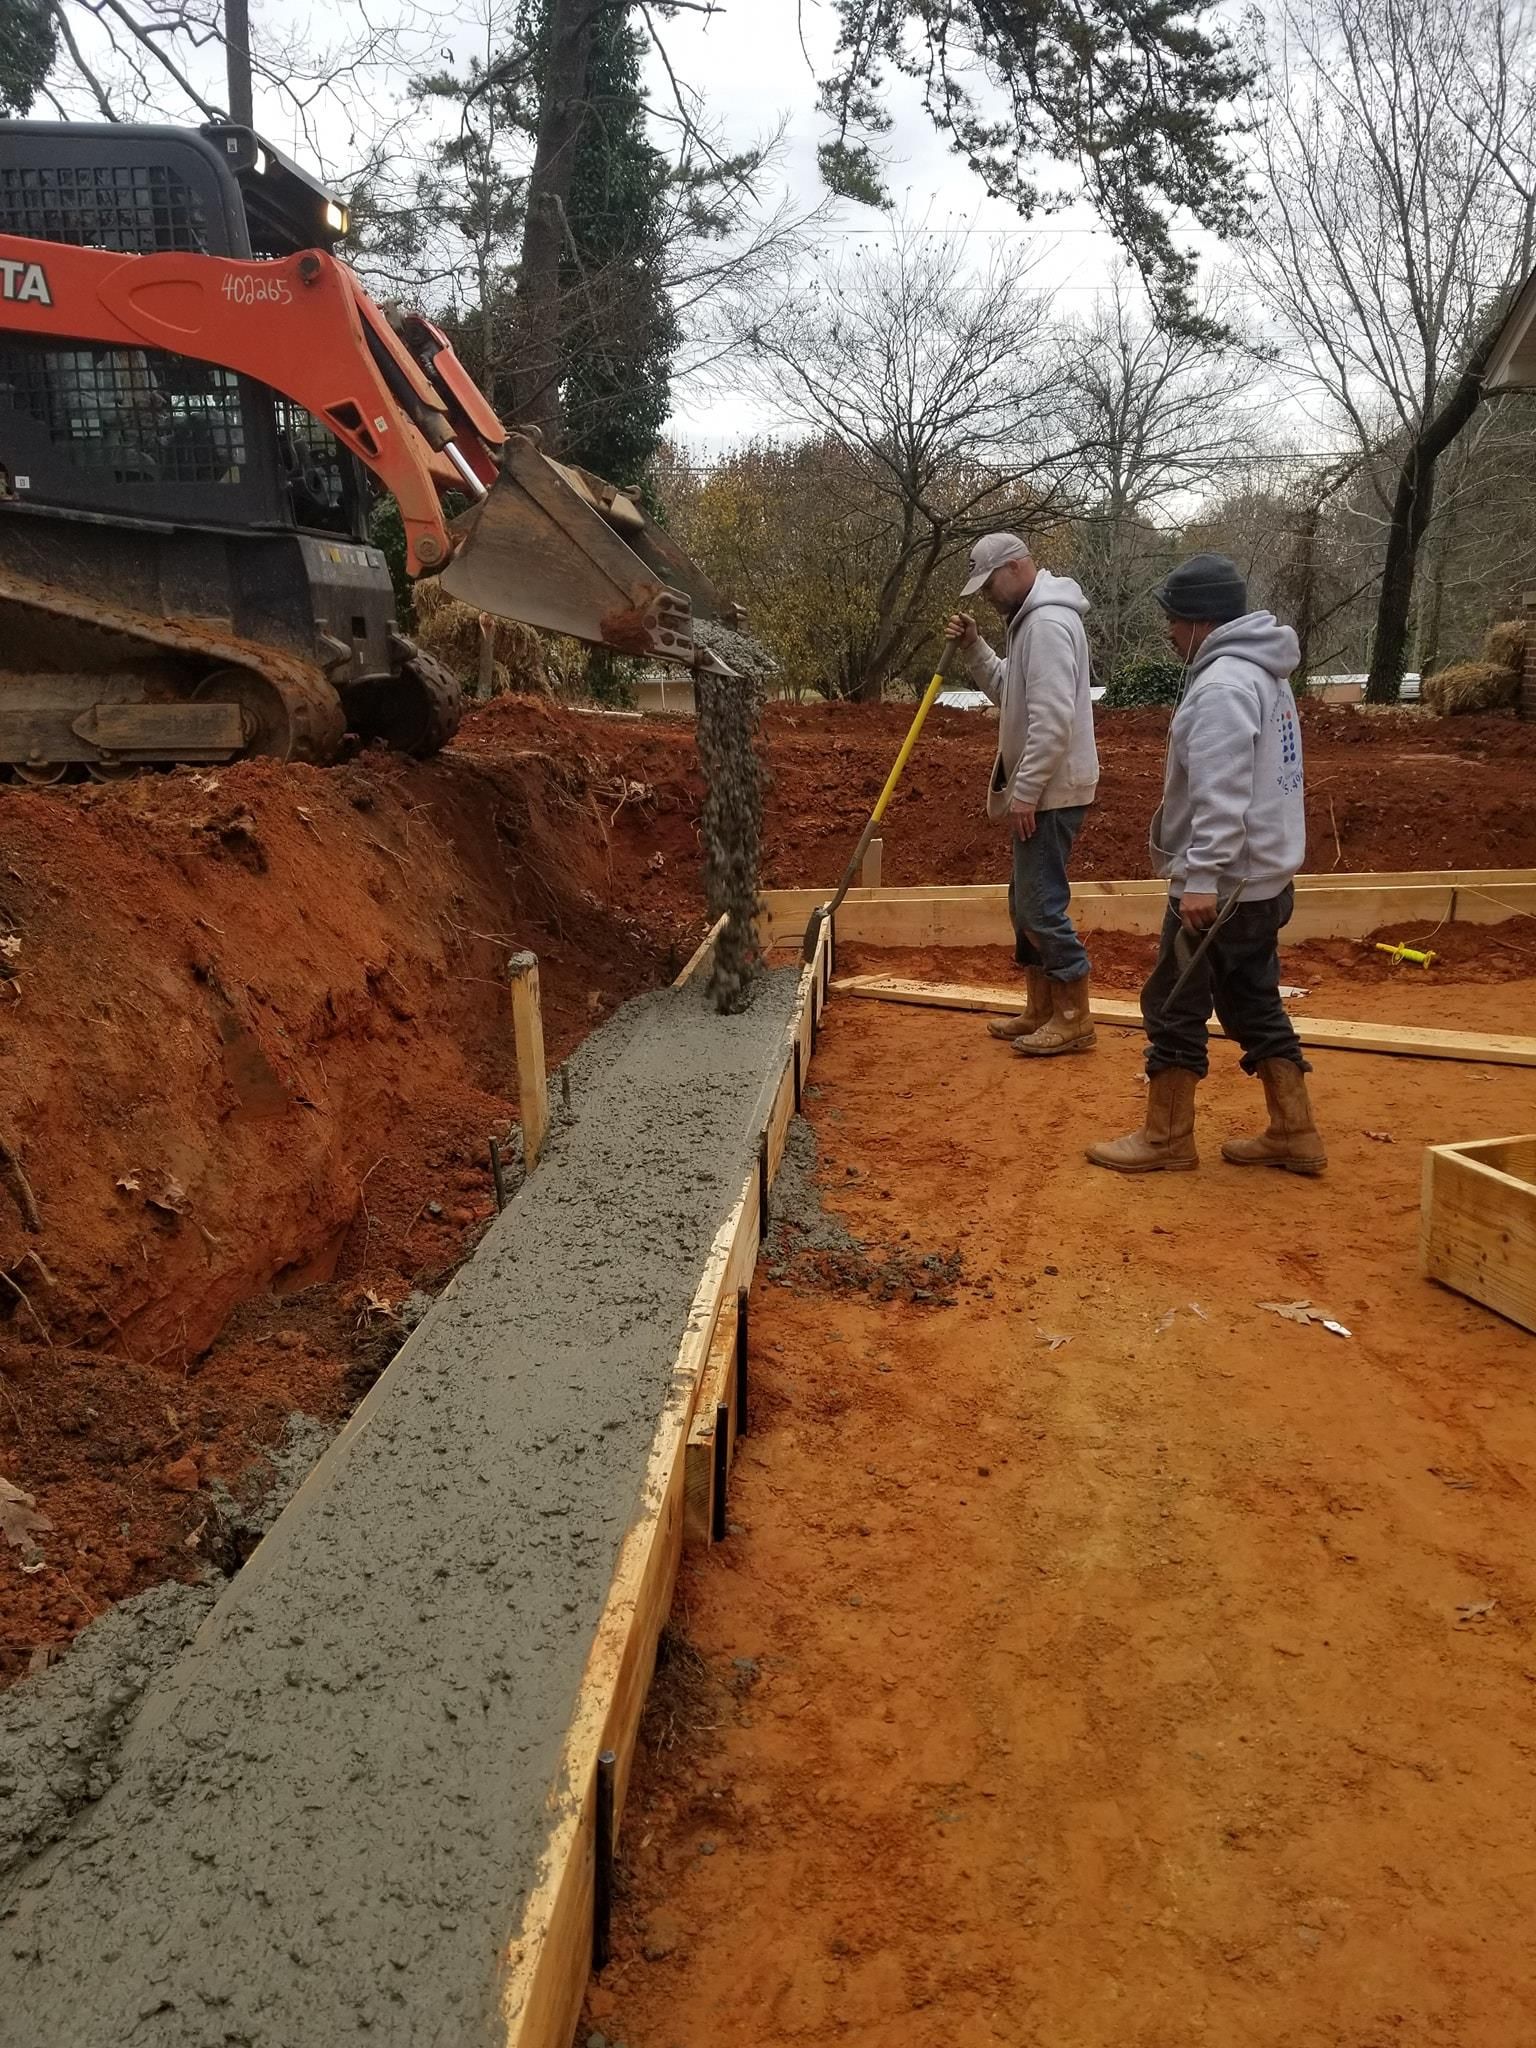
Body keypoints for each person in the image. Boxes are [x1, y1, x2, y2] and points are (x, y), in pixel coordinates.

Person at [1086, 552, 1326, 1176]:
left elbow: (1221, 794)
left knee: (1173, 1004)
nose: (1169, 632)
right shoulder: (1264, 673)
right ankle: (1294, 1130)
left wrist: (1200, 878)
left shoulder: (1223, 686)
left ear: (1198, 620)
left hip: (1223, 889)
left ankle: (1167, 1137)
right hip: (1262, 882)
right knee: (1252, 1001)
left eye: (1173, 619)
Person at [945, 533, 1100, 1057]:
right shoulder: (1029, 623)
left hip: (1052, 792)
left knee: (1040, 906)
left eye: (989, 584)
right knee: (1025, 904)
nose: (988, 596)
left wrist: (1026, 792)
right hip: (1043, 789)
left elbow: (1052, 721)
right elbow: (1009, 692)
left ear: (1014, 568)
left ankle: (1074, 1016)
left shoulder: (1048, 625)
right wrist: (975, 647)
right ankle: (1041, 1008)